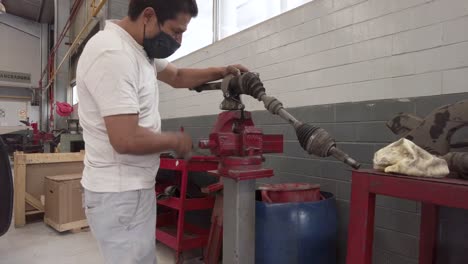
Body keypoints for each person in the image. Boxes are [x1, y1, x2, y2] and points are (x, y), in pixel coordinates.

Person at [76, 0, 247, 263]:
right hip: (119, 194)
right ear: (148, 16)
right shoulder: (112, 54)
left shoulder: (137, 49)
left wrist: (221, 70)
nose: (178, 40)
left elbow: (177, 76)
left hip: (133, 189)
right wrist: (176, 140)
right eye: (176, 31)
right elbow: (125, 138)